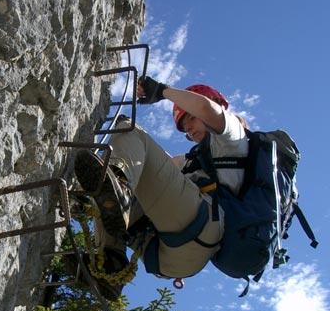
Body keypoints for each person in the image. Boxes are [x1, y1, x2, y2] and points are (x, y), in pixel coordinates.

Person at [74, 76, 249, 286]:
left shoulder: (235, 139)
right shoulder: (198, 163)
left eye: (191, 118)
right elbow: (158, 165)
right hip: (176, 260)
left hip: (201, 225)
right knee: (111, 182)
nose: (190, 130)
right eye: (185, 128)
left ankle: (120, 193)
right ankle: (110, 264)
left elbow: (205, 107)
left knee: (128, 130)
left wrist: (161, 91)